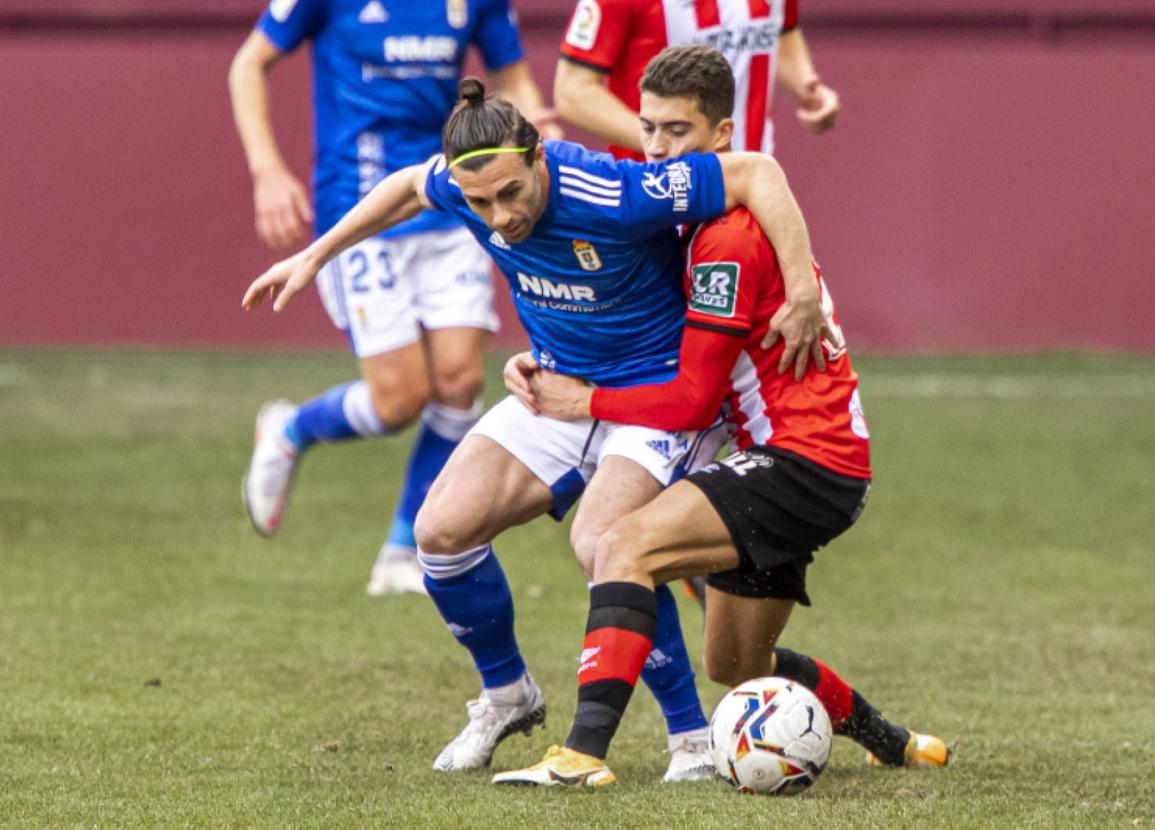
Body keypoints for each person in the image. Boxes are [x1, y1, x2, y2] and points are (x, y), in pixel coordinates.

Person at [242, 78, 833, 779]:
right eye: (480, 202)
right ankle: (507, 694)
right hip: (554, 391)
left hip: (652, 402)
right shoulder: (468, 182)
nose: (499, 216)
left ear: (540, 157)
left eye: (511, 193)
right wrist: (317, 256)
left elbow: (758, 172)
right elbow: (406, 186)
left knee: (604, 544)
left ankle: (691, 739)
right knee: (441, 532)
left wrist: (802, 292)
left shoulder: (615, 191)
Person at [492, 46, 948, 787]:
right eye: (648, 129)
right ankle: (890, 740)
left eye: (677, 132)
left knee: (620, 545)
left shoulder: (728, 237)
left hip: (800, 461)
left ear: (721, 136)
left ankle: (581, 756)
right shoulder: (692, 219)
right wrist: (551, 358)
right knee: (735, 666)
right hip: (817, 464)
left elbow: (691, 402)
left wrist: (585, 403)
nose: (657, 148)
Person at [229, 0, 558, 595]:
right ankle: (292, 429)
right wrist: (266, 171)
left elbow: (510, 74)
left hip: (453, 198)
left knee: (459, 382)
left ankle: (404, 550)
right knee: (399, 399)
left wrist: (539, 135)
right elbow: (249, 63)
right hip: (360, 208)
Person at [556, 0, 839, 161]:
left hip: (753, 181)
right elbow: (573, 92)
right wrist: (666, 142)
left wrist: (806, 83)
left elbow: (780, 31)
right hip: (659, 195)